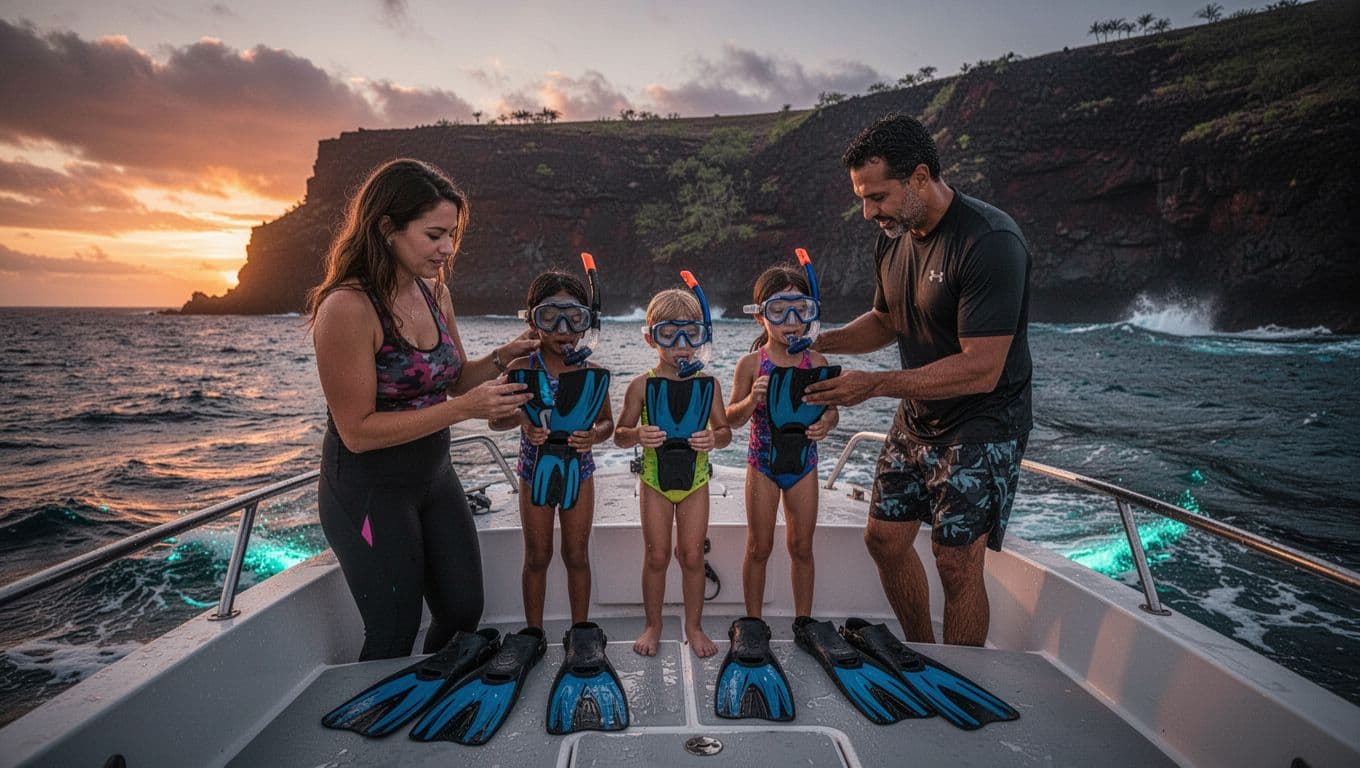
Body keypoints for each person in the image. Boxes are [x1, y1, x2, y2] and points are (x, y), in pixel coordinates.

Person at [804, 113, 1033, 647]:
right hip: (918, 414)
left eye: (878, 196)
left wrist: (875, 385)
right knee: (884, 540)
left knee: (955, 562)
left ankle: (963, 676)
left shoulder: (990, 241)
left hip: (985, 418)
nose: (868, 212)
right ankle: (923, 651)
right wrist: (818, 343)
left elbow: (983, 366)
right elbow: (887, 319)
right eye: (862, 197)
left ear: (921, 178)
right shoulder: (894, 236)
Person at [309, 158, 536, 660]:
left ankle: (425, 694)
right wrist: (465, 411)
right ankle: (370, 732)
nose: (448, 249)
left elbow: (454, 380)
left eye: (452, 235)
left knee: (461, 613)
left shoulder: (435, 290)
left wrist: (505, 355)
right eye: (434, 235)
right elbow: (358, 432)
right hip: (368, 490)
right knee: (394, 629)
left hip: (434, 478)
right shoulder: (347, 307)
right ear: (387, 228)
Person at [488, 268, 614, 631]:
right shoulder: (520, 367)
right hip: (534, 471)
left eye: (573, 318)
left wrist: (593, 436)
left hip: (580, 471)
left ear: (586, 322)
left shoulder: (592, 371)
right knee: (537, 556)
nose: (562, 329)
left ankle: (580, 631)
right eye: (549, 317)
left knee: (577, 555)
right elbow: (496, 421)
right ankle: (534, 632)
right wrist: (521, 420)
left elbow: (606, 423)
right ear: (532, 320)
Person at [613, 285, 731, 658]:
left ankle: (693, 627)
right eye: (670, 334)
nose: (682, 344)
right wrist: (636, 434)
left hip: (696, 482)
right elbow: (618, 435)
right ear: (651, 338)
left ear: (702, 336)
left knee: (692, 555)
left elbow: (725, 431)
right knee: (658, 555)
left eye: (691, 334)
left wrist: (714, 440)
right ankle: (654, 624)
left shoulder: (708, 385)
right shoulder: (640, 386)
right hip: (654, 483)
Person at [725, 263, 839, 620]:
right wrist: (751, 400)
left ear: (809, 312)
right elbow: (730, 418)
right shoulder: (750, 365)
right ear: (761, 316)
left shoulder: (816, 361)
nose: (791, 320)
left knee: (801, 546)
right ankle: (753, 622)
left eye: (800, 309)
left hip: (804, 463)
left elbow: (831, 412)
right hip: (762, 463)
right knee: (760, 547)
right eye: (778, 310)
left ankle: (803, 620)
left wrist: (826, 425)